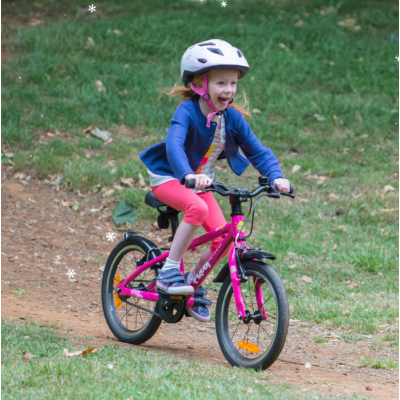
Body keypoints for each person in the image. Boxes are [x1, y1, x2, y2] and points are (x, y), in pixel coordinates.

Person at [139, 39, 290, 322]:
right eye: (221, 83)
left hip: (201, 181)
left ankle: (192, 283)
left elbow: (257, 150)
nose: (229, 90)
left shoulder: (231, 118)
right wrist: (187, 175)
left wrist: (276, 177)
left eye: (233, 84)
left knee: (224, 235)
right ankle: (171, 268)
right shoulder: (187, 111)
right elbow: (174, 145)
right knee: (198, 209)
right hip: (170, 177)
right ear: (200, 84)